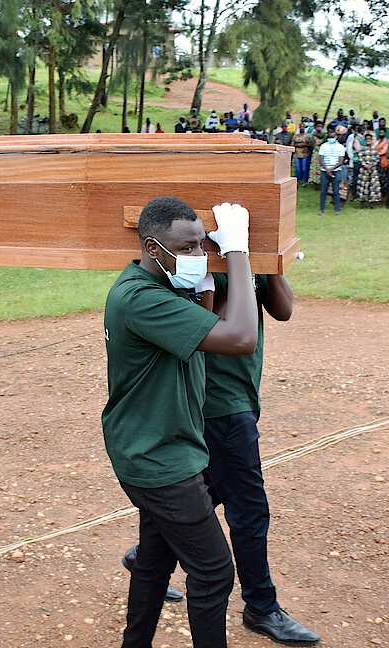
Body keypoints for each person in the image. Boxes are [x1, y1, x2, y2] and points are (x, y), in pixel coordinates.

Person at [124, 268, 320, 646]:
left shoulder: (243, 252)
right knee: (248, 506)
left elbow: (283, 310)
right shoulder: (196, 253)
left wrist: (268, 260)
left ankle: (152, 555)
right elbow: (211, 326)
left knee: (205, 491)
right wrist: (235, 259)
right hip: (216, 400)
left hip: (241, 391)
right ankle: (261, 605)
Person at [103, 196, 259, 648]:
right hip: (161, 462)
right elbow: (241, 337)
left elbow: (204, 326)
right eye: (187, 248)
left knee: (154, 563)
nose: (198, 255)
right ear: (153, 248)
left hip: (151, 449)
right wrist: (237, 251)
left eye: (202, 246)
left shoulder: (152, 285)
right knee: (213, 571)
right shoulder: (142, 300)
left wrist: (204, 281)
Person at [318, 126, 346, 216]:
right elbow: (321, 159)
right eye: (329, 137)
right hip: (324, 171)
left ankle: (336, 209)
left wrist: (330, 170)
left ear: (335, 137)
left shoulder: (340, 147)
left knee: (336, 191)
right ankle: (321, 209)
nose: (331, 139)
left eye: (332, 137)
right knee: (323, 191)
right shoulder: (323, 146)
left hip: (336, 171)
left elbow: (340, 161)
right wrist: (327, 170)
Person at [357, 133, 382, 206]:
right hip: (364, 170)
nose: (368, 140)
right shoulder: (362, 149)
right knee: (363, 186)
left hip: (373, 170)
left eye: (369, 139)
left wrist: (371, 166)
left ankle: (372, 203)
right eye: (367, 139)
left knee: (373, 186)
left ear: (372, 140)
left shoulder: (375, 149)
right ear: (365, 140)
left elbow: (377, 159)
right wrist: (366, 166)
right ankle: (362, 203)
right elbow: (360, 158)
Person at [374, 127, 389, 202]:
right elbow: (373, 148)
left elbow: (384, 151)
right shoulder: (377, 141)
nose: (381, 134)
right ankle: (378, 195)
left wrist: (375, 152)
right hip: (376, 163)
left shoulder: (387, 142)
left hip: (384, 163)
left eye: (382, 133)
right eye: (380, 133)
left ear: (385, 133)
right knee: (377, 180)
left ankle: (384, 194)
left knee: (384, 180)